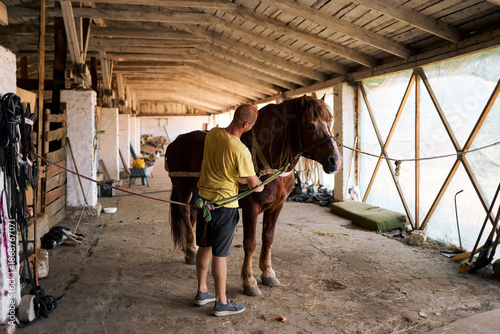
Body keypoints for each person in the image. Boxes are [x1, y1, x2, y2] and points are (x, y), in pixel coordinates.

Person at [193, 104, 264, 317]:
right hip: (224, 208)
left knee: (204, 246)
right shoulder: (241, 150)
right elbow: (255, 186)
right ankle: (221, 302)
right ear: (246, 124)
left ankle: (202, 291)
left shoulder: (213, 133)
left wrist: (238, 177)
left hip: (204, 202)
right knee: (220, 255)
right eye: (251, 125)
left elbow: (223, 170)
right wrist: (260, 181)